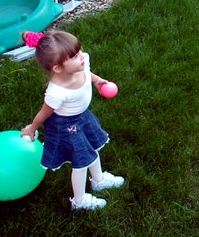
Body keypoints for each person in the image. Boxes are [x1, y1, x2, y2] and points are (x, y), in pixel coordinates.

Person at [20, 30, 125, 211]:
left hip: (82, 117)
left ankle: (98, 180)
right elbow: (44, 113)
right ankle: (79, 200)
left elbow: (87, 73)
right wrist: (32, 128)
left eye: (79, 50)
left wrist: (98, 81)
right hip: (66, 126)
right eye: (75, 56)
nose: (82, 56)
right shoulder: (57, 92)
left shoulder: (82, 62)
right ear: (58, 68)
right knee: (81, 161)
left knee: (91, 147)